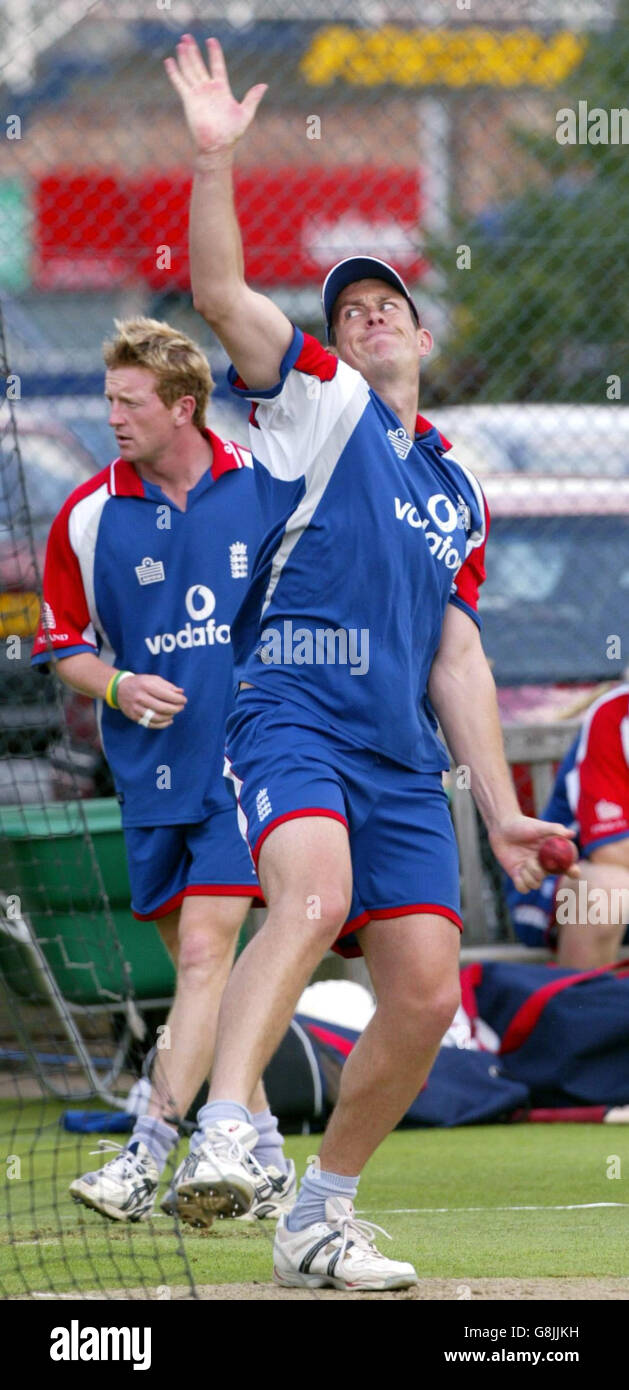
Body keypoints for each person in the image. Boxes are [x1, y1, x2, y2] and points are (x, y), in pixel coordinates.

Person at [164, 34, 576, 1290]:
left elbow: (455, 646)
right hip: (293, 707)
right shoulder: (321, 404)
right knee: (310, 894)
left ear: (422, 331)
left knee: (420, 989)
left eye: (386, 304)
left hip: (401, 753)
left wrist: (503, 810)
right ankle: (226, 1125)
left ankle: (318, 1212)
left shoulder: (453, 483)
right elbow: (226, 300)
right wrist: (214, 162)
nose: (367, 318)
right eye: (348, 310)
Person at [31, 316, 295, 1225]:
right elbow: (63, 646)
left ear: (183, 407)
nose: (112, 416)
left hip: (245, 761)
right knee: (204, 977)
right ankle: (265, 1160)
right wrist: (118, 686)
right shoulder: (87, 513)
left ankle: (146, 1154)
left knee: (201, 951)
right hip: (150, 778)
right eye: (108, 399)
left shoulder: (262, 489)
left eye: (129, 401)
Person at [505, 682, 629, 969]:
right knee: (607, 890)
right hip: (558, 889)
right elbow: (611, 852)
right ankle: (581, 1010)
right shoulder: (615, 714)